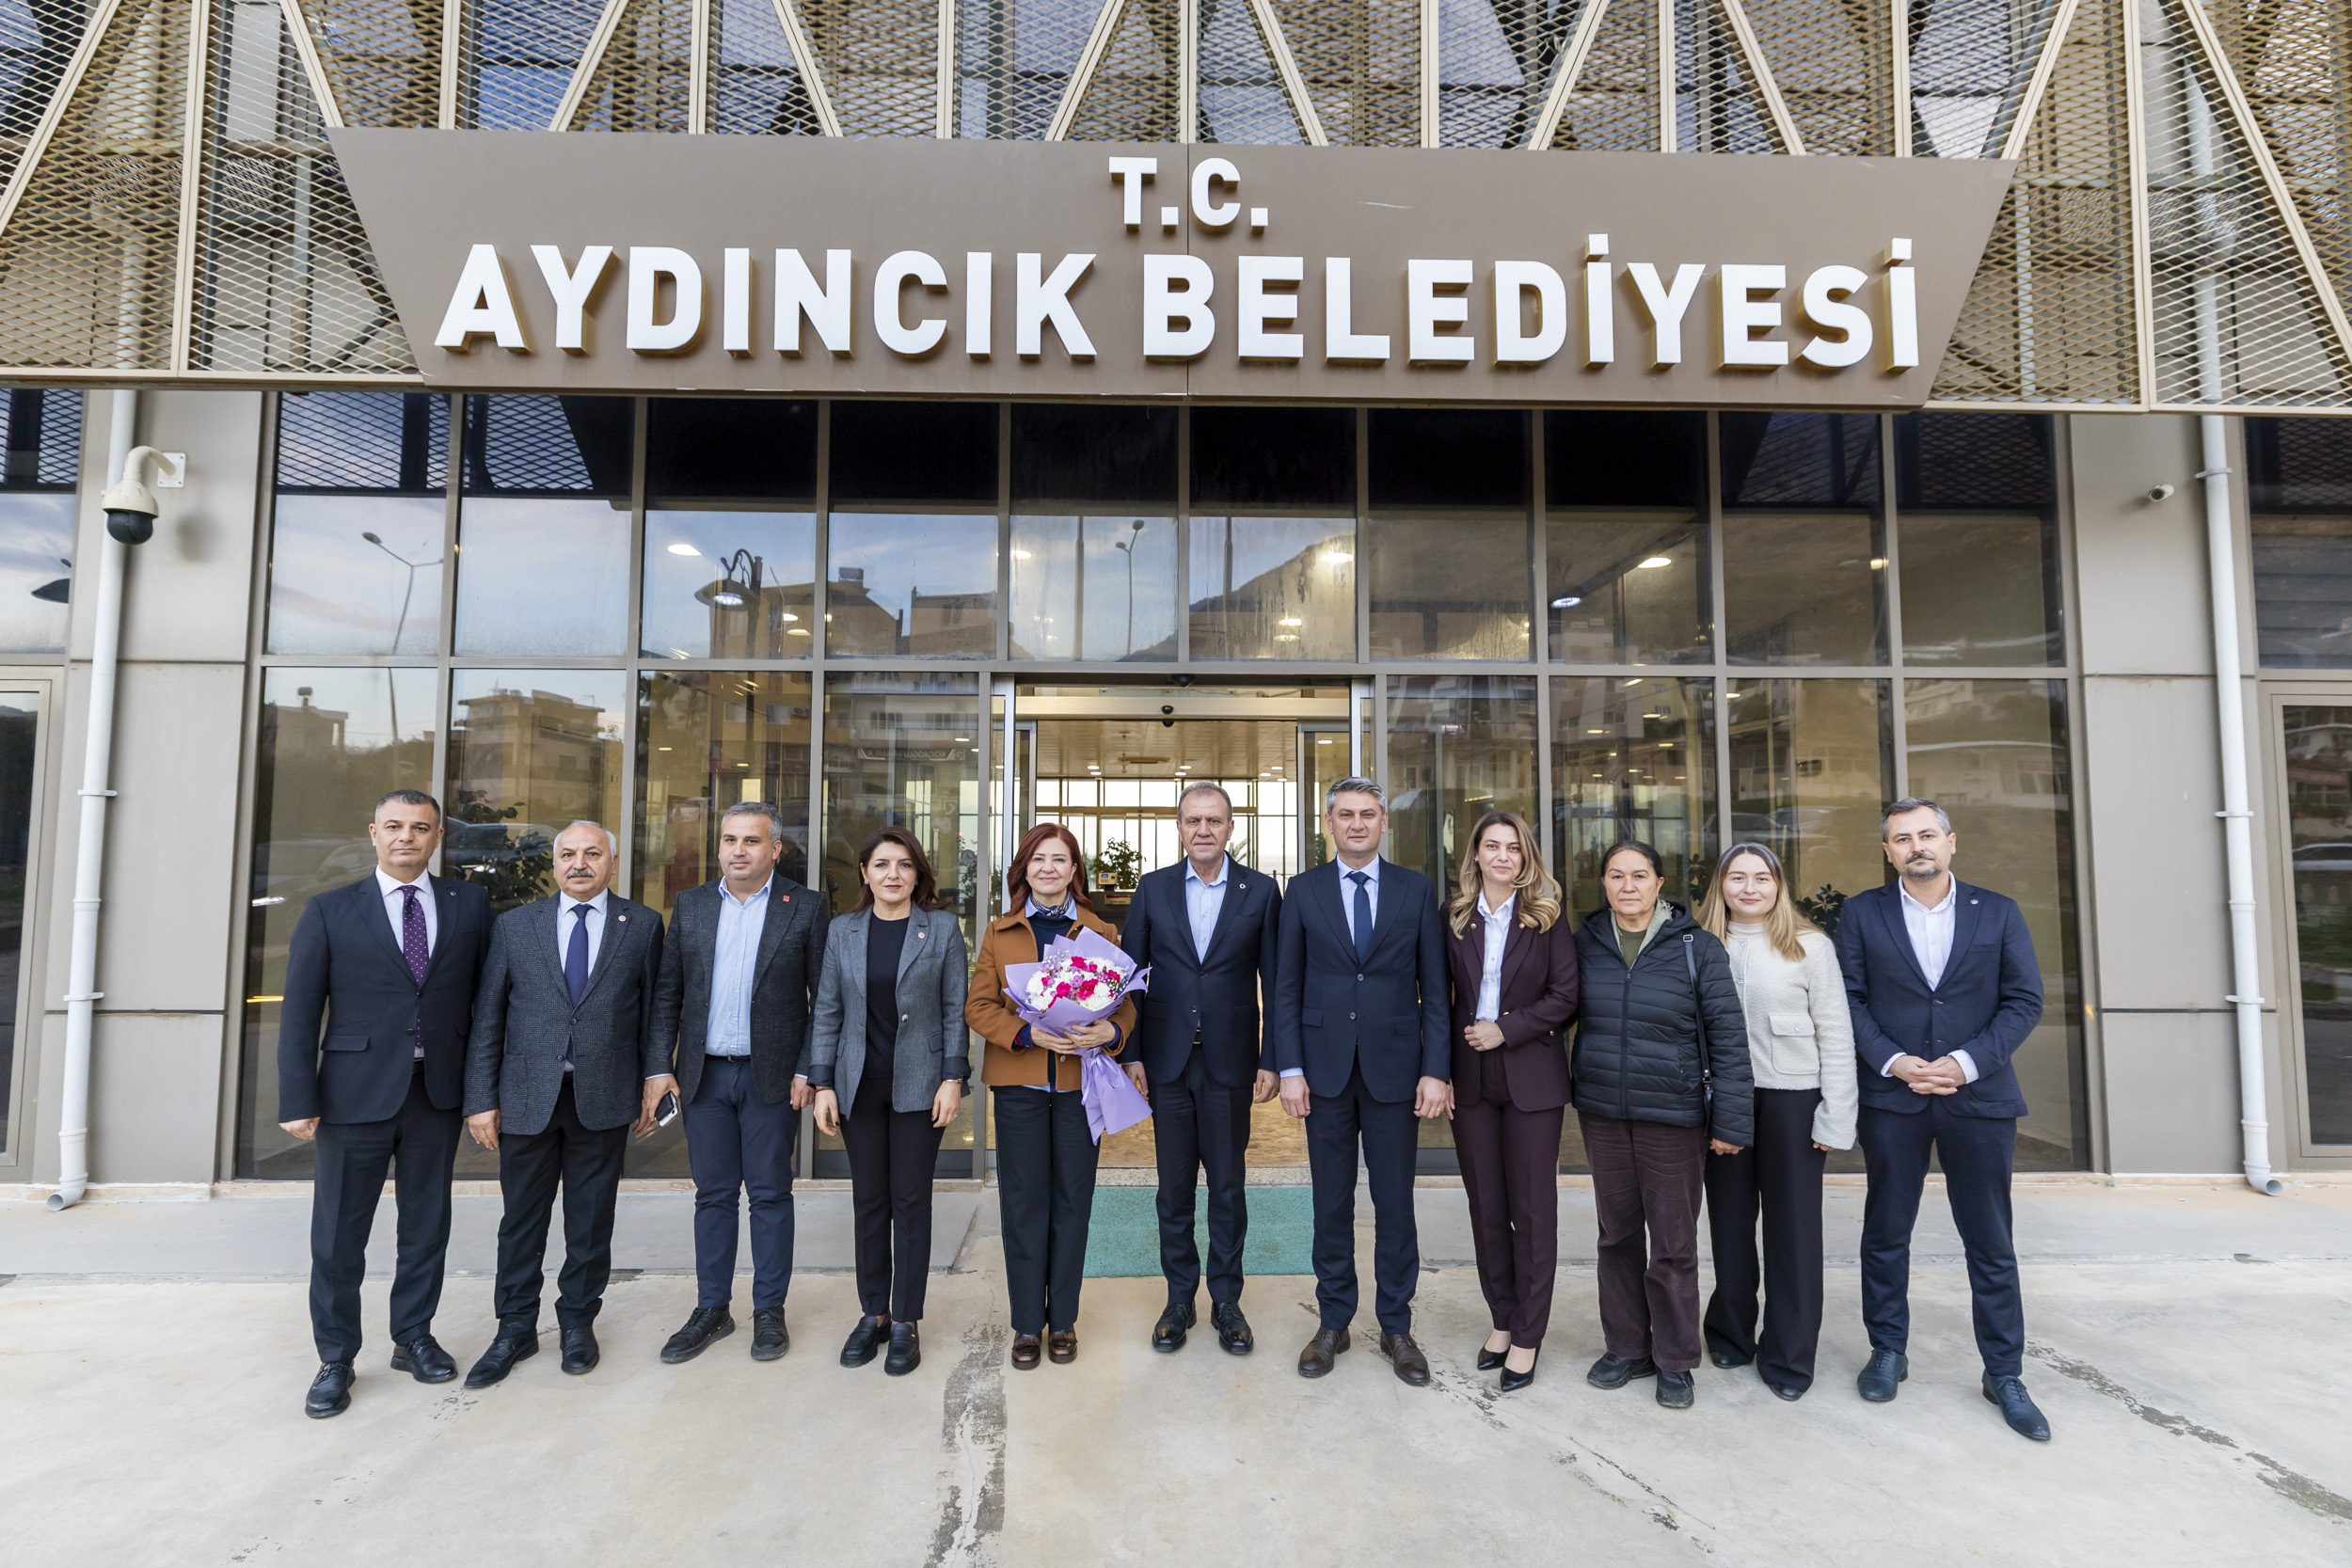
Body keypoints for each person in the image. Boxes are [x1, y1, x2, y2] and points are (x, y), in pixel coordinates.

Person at [1836, 798, 2050, 1441]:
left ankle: (2004, 1372)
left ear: (1951, 841)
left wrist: (1964, 1063)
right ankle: (1887, 1350)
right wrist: (1895, 1061)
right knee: (1886, 1230)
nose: (1917, 846)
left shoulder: (1999, 911)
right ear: (1888, 851)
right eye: (1902, 839)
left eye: (1927, 834)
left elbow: (2024, 999)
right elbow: (1848, 998)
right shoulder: (1862, 912)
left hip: (1978, 1099)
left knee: (1989, 1240)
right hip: (1894, 1097)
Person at [277, 790, 492, 1419]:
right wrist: (298, 1096)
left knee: (425, 1227)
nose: (406, 837)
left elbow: (487, 1006)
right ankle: (336, 1357)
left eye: (420, 827)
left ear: (438, 836)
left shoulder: (470, 904)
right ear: (373, 833)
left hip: (436, 1093)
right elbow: (300, 1010)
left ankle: (414, 1336)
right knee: (338, 1236)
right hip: (352, 1096)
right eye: (394, 826)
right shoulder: (330, 909)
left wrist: (483, 1092)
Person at [462, 821, 670, 1386]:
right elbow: (488, 1017)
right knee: (520, 1222)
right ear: (555, 864)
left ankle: (578, 1322)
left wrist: (654, 1079)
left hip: (604, 1097)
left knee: (590, 1222)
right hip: (526, 1097)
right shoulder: (516, 926)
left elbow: (654, 1015)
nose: (580, 863)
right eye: (569, 854)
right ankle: (514, 1328)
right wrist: (480, 1099)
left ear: (612, 862)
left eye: (593, 853)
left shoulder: (642, 925)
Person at [1271, 778, 1451, 1386]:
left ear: (1383, 823)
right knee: (1331, 1203)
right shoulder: (1303, 891)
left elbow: (1436, 991)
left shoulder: (1415, 890)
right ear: (1329, 823)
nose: (1356, 823)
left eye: (1367, 814)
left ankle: (1396, 1326)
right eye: (1345, 814)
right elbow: (1285, 987)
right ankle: (1334, 1321)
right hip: (1322, 1072)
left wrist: (1436, 1069)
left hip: (1396, 1071)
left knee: (1395, 1205)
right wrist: (1290, 1068)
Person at [1570, 840, 1752, 1410]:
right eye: (1616, 875)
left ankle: (1675, 1358)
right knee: (1616, 1237)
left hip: (1674, 1116)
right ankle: (1627, 1348)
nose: (1628, 886)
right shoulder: (1584, 943)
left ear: (1659, 883)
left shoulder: (1698, 947)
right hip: (1603, 1111)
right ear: (1603, 883)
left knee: (1673, 1244)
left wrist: (1731, 1122)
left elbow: (1728, 1037)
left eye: (1639, 875)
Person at [646, 801, 827, 1367]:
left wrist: (809, 1069)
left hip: (772, 1077)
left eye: (751, 840)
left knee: (770, 1194)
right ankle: (712, 1309)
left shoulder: (806, 907)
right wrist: (659, 1067)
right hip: (704, 1076)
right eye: (730, 840)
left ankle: (769, 1310)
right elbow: (668, 993)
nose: (738, 850)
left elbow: (824, 999)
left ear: (775, 849)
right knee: (713, 1195)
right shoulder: (692, 904)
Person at [966, 823, 1141, 1369]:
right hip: (1019, 1085)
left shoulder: (1100, 931)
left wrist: (1111, 1031)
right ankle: (1026, 1323)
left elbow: (1125, 1003)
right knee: (1023, 1204)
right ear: (1024, 868)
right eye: (1038, 859)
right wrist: (1025, 1033)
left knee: (1072, 1200)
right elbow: (979, 1006)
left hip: (1078, 1086)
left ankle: (1063, 1319)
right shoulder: (1000, 932)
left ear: (1073, 870)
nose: (1048, 868)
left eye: (1059, 859)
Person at [1118, 783, 1280, 1355]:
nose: (1204, 830)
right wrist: (1131, 1053)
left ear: (1231, 828)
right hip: (1167, 1062)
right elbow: (1131, 977)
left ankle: (1227, 1301)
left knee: (1228, 1187)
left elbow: (1276, 982)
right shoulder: (1152, 888)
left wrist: (1272, 1058)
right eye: (1194, 820)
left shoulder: (1261, 891)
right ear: (1180, 828)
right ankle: (1179, 1299)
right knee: (1174, 1187)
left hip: (1231, 1062)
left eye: (1214, 820)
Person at [804, 828, 970, 1377]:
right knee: (869, 1200)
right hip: (858, 1085)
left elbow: (955, 1009)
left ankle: (905, 1319)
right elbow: (827, 1011)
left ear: (918, 873)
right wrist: (823, 1084)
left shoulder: (941, 929)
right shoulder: (843, 931)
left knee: (910, 1201)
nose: (892, 874)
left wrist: (953, 1078)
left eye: (904, 864)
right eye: (881, 864)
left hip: (921, 1085)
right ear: (865, 873)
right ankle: (873, 1312)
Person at [1693, 842, 1856, 1401]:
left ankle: (1789, 1355)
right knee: (1730, 1226)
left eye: (1761, 878)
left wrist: (1836, 1116)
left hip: (1793, 1102)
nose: (1749, 888)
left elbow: (1836, 1034)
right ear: (1721, 886)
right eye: (1737, 878)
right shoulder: (1698, 944)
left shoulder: (1811, 947)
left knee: (1793, 1233)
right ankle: (1730, 1333)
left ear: (1779, 885)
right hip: (1725, 1104)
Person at [1442, 810, 1579, 1392]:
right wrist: (1440, 1071)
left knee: (1533, 1210)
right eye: (1492, 846)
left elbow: (1566, 995)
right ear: (1475, 853)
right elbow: (1441, 999)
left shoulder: (1547, 916)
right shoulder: (1454, 917)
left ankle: (1528, 1333)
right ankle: (1502, 1319)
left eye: (1513, 847)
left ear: (1526, 857)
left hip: (1532, 1077)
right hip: (1471, 1078)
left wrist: (1507, 1028)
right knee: (1487, 1208)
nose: (1503, 856)